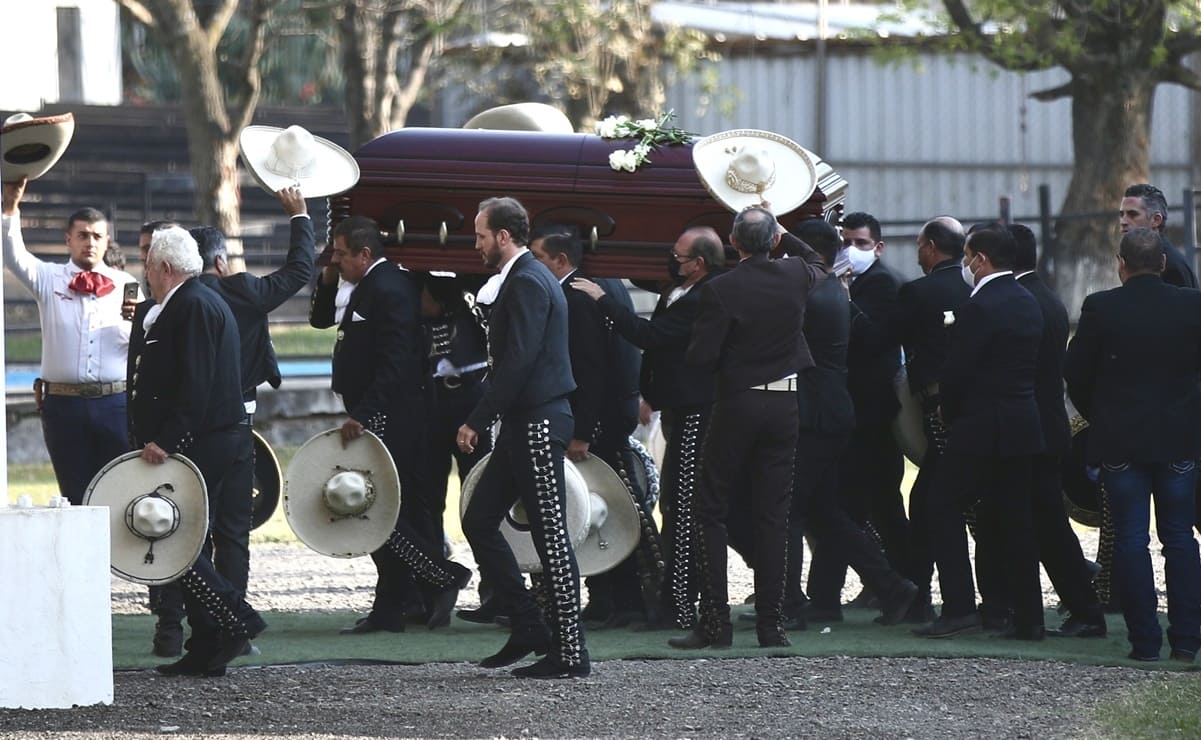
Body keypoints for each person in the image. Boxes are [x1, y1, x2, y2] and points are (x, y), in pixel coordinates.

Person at [146, 186, 315, 657]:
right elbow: (300, 270)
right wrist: (299, 216)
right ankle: (230, 620)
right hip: (236, 423)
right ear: (218, 262)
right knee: (230, 531)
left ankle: (184, 626)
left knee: (189, 529)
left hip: (196, 428)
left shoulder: (179, 304)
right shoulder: (240, 291)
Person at [310, 215, 470, 634]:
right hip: (380, 410)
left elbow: (397, 360)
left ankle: (436, 578)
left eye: (342, 254)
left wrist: (366, 412)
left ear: (365, 254)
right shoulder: (367, 285)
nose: (336, 260)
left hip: (394, 414)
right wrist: (328, 275)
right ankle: (402, 599)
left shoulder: (390, 287)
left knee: (378, 509)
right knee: (383, 508)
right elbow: (320, 319)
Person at [675, 206, 826, 649]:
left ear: (733, 242)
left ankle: (716, 622)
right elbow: (821, 262)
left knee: (712, 508)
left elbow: (700, 357)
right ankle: (770, 625)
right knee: (773, 514)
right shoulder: (796, 274)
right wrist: (784, 235)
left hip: (738, 401)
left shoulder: (721, 289)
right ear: (773, 240)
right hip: (786, 402)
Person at [457, 196, 590, 679]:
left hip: (536, 420)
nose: (476, 245)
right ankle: (530, 625)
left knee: (552, 537)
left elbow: (519, 359)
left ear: (503, 237)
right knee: (480, 520)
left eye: (480, 235)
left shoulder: (529, 280)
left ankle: (571, 653)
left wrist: (476, 417)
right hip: (523, 421)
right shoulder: (525, 278)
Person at [571, 227, 724, 630]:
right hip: (676, 411)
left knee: (684, 509)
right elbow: (645, 277)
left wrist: (604, 299)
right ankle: (669, 598)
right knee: (672, 505)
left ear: (699, 264)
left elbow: (651, 336)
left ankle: (678, 606)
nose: (671, 260)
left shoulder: (706, 295)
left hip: (697, 415)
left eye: (678, 255)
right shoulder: (681, 289)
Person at [128, 225, 265, 677]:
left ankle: (233, 620)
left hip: (202, 442)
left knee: (177, 540)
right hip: (213, 438)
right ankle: (207, 645)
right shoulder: (197, 302)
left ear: (164, 268)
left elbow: (195, 382)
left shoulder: (191, 306)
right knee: (189, 539)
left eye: (149, 266)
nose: (146, 275)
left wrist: (167, 440)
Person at [1065, 227, 1201, 662]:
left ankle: (1144, 641)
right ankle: (1185, 639)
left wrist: (1101, 416)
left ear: (1120, 265)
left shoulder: (1101, 307)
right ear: (1164, 263)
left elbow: (1077, 373)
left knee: (1130, 538)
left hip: (1121, 437)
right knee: (1180, 538)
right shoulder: (1192, 306)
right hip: (1178, 437)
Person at [915, 226, 1045, 640]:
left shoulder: (979, 305)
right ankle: (1027, 617)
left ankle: (958, 606)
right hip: (1021, 421)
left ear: (980, 259)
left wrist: (949, 413)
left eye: (969, 257)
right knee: (1015, 519)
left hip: (980, 423)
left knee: (942, 503)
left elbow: (957, 371)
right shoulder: (1028, 301)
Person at [530, 226, 662, 628]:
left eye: (538, 257)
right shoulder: (601, 283)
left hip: (598, 418)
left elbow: (588, 369)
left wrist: (582, 430)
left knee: (611, 508)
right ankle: (609, 598)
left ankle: (631, 600)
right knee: (602, 505)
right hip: (609, 412)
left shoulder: (578, 296)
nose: (533, 265)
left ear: (561, 260)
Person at [2, 176, 140, 506]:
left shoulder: (126, 284)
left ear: (107, 241)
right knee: (74, 493)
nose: (89, 242)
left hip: (114, 403)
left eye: (96, 236)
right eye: (82, 236)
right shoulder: (49, 278)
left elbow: (143, 341)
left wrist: (140, 323)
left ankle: (116, 559)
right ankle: (81, 558)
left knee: (118, 491)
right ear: (68, 240)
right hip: (63, 405)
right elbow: (13, 255)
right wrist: (10, 207)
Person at [1009, 223, 1106, 639]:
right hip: (1047, 425)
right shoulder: (1044, 296)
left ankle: (1079, 609)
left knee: (1043, 525)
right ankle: (1076, 606)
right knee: (1045, 524)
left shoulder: (1019, 300)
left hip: (1031, 429)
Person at [813, 210, 907, 613]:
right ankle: (849, 594)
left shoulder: (882, 283)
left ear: (878, 248)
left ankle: (899, 586)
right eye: (846, 242)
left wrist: (845, 299)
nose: (852, 251)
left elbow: (873, 339)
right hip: (851, 412)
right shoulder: (843, 282)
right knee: (848, 505)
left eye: (861, 244)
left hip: (872, 414)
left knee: (876, 506)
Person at [892, 216, 971, 623]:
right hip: (972, 412)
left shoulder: (918, 292)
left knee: (936, 502)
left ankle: (939, 599)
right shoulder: (973, 289)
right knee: (929, 501)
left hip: (939, 412)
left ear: (932, 246)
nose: (918, 253)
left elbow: (886, 337)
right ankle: (917, 592)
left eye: (920, 245)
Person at [1118, 183, 1198, 288]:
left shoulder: (1172, 266)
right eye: (1121, 214)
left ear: (1156, 220)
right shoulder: (1138, 256)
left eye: (1132, 214)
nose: (1123, 221)